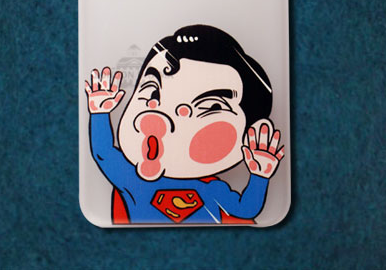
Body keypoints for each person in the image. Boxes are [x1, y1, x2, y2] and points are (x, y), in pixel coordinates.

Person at [86, 25, 284, 224]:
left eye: (211, 106)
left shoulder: (213, 189)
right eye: (153, 92)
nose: (163, 115)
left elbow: (246, 209)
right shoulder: (129, 179)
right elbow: (103, 152)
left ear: (249, 133)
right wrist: (99, 113)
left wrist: (260, 175)